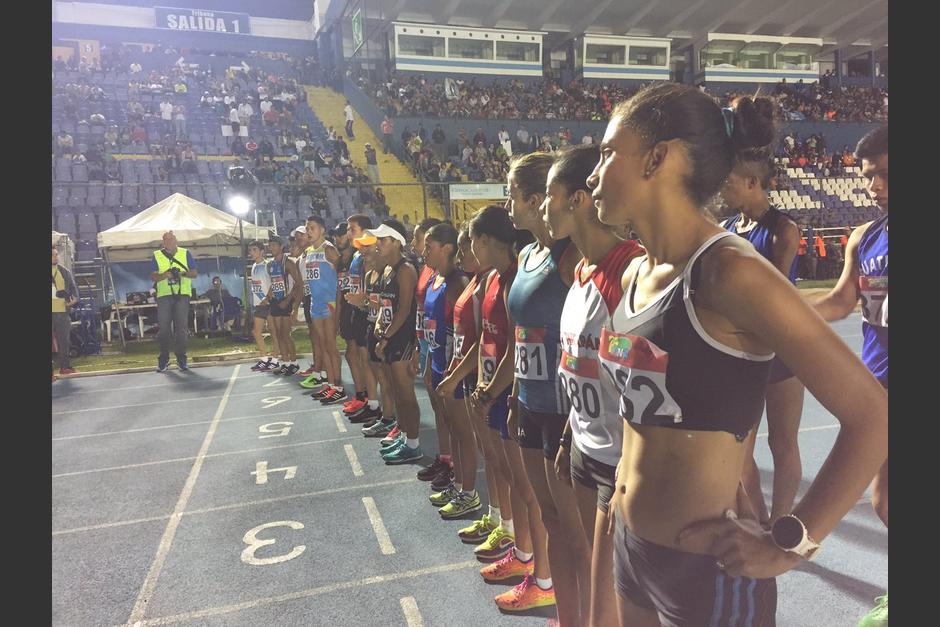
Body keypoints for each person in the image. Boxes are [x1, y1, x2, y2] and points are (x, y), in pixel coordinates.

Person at [588, 83, 886, 626]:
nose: (594, 173)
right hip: (632, 549)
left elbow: (873, 416)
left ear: (659, 157)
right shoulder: (635, 271)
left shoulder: (731, 272)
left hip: (708, 571)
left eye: (608, 153)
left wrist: (792, 542)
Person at [542, 144, 645, 627]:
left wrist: (629, 461)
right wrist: (569, 434)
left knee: (614, 600)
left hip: (621, 463)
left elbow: (637, 367)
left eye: (550, 195)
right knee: (595, 580)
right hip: (586, 448)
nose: (544, 207)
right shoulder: (580, 271)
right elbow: (581, 363)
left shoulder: (631, 271)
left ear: (580, 199)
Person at [502, 150, 588, 619]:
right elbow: (522, 332)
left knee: (577, 533)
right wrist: (516, 392)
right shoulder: (527, 252)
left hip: (565, 409)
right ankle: (566, 615)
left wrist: (576, 416)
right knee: (551, 521)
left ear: (537, 199)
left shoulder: (569, 255)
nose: (506, 203)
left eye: (511, 194)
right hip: (531, 401)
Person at [810, 125, 888, 627]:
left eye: (883, 173)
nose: (873, 185)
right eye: (868, 176)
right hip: (876, 395)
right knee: (884, 501)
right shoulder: (865, 237)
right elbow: (842, 301)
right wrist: (774, 321)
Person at [465, 206, 556, 612]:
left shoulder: (518, 275)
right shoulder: (497, 277)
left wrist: (492, 389)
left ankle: (545, 579)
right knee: (516, 482)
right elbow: (495, 339)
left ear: (486, 241)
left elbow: (517, 345)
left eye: (473, 242)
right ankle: (523, 556)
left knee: (533, 490)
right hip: (504, 387)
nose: (470, 250)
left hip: (515, 390)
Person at [719, 140, 804, 527]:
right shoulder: (726, 229)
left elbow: (778, 295)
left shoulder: (784, 230)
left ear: (752, 182)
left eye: (728, 182)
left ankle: (782, 521)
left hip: (782, 352)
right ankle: (757, 520)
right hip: (740, 353)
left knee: (782, 441)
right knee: (739, 450)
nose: (722, 189)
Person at [419, 223, 474, 515]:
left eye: (430, 246)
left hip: (456, 370)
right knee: (450, 427)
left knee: (463, 432)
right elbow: (432, 329)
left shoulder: (457, 283)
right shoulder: (434, 280)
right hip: (439, 364)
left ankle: (469, 491)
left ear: (448, 249)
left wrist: (454, 373)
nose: (425, 251)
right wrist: (430, 365)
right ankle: (458, 481)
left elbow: (464, 332)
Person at [369, 220, 422, 465]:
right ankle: (403, 434)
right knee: (397, 392)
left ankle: (413, 443)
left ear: (396, 242)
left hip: (402, 339)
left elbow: (404, 309)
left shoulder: (405, 270)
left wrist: (387, 336)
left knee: (405, 393)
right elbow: (386, 305)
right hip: (390, 337)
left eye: (382, 240)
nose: (377, 244)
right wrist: (380, 326)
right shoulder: (388, 270)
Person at [303, 216, 346, 403]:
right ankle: (329, 385)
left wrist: (339, 304)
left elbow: (341, 276)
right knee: (322, 344)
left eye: (312, 228)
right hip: (315, 303)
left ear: (321, 230)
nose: (308, 232)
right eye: (307, 229)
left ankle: (338, 386)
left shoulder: (329, 250)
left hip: (330, 303)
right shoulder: (309, 251)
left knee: (331, 345)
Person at [150, 231, 198, 372]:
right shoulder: (157, 255)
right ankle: (163, 359)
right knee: (164, 328)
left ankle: (181, 358)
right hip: (164, 295)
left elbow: (194, 273)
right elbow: (153, 276)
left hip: (182, 294)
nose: (169, 242)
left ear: (176, 240)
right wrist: (165, 275)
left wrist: (182, 273)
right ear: (163, 242)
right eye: (166, 240)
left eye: (171, 239)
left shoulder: (185, 253)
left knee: (181, 328)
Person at [266, 236, 303, 375]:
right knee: (278, 334)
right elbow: (273, 283)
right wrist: (269, 295)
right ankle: (286, 362)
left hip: (286, 301)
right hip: (275, 301)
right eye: (270, 245)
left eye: (274, 245)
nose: (272, 248)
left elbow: (298, 283)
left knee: (286, 334)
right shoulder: (270, 265)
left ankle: (294, 362)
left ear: (281, 246)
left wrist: (288, 301)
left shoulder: (288, 263)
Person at [247, 240, 281, 372]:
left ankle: (275, 359)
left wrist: (267, 298)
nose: (251, 253)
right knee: (256, 332)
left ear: (262, 251)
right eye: (250, 250)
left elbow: (274, 283)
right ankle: (264, 359)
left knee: (274, 332)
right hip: (259, 304)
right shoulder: (254, 266)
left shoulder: (268, 265)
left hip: (269, 303)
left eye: (254, 250)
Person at [52, 247, 80, 377]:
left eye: (56, 255)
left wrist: (73, 300)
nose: (56, 257)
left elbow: (74, 291)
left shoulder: (64, 272)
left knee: (64, 341)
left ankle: (65, 367)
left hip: (63, 312)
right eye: (53, 255)